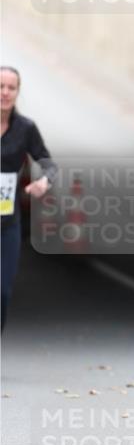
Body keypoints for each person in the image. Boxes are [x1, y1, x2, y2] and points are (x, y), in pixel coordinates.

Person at [1, 66, 55, 330]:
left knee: (2, 293)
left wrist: (44, 181)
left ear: (17, 93)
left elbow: (48, 164)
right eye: (0, 86)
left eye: (11, 88)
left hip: (7, 224)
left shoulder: (25, 129)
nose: (5, 93)